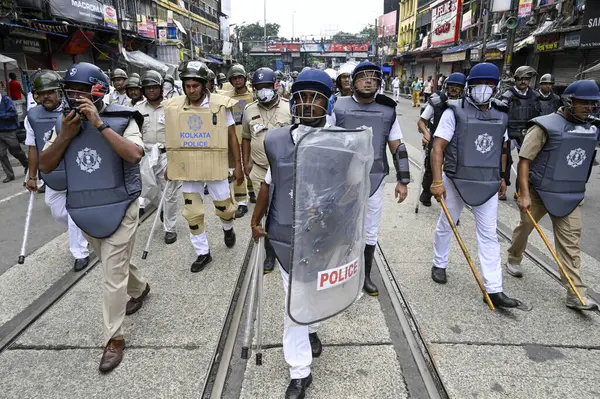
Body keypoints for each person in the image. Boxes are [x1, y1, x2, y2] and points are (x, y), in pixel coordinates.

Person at [38, 62, 150, 373]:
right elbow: (46, 166)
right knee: (114, 261)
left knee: (111, 274)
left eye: (81, 91)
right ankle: (140, 288)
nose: (74, 97)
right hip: (85, 208)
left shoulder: (123, 118)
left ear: (97, 90)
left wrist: (99, 124)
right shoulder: (65, 124)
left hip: (121, 205)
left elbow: (134, 154)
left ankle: (113, 339)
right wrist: (66, 135)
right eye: (70, 91)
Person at [250, 69, 336, 399]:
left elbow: (353, 189)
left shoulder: (343, 138)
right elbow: (269, 183)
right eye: (302, 96)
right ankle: (299, 372)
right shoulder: (277, 139)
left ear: (327, 102)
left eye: (316, 97)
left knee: (314, 291)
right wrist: (257, 219)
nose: (308, 103)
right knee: (293, 301)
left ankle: (312, 327)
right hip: (286, 232)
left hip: (325, 233)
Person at [429, 62, 522, 309]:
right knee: (447, 224)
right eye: (478, 84)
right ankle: (439, 263)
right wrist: (437, 182)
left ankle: (493, 289)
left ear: (497, 87)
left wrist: (502, 177)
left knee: (489, 235)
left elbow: (502, 149)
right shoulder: (453, 111)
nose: (483, 89)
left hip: (487, 182)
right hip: (455, 179)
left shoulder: (501, 114)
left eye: (489, 85)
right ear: (469, 87)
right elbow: (437, 147)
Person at [505, 79, 600, 311]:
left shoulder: (592, 128)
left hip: (569, 195)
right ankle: (514, 257)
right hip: (538, 192)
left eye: (593, 104)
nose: (589, 108)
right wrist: (524, 194)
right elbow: (525, 161)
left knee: (570, 243)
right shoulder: (543, 126)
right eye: (583, 103)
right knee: (525, 228)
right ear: (569, 101)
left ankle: (575, 293)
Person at [333, 61, 410, 296]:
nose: (368, 81)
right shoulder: (338, 106)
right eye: (363, 76)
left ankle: (365, 275)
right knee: (341, 229)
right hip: (342, 181)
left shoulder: (388, 110)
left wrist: (403, 180)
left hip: (375, 178)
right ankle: (339, 274)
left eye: (373, 77)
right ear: (353, 81)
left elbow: (398, 146)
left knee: (370, 230)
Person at [164, 61, 243, 272]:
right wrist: (170, 166)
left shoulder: (219, 105)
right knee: (193, 212)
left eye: (195, 86)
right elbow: (172, 138)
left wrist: (238, 166)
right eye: (187, 86)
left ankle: (228, 228)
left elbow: (232, 136)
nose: (191, 90)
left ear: (204, 84)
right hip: (188, 167)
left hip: (215, 165)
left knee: (225, 207)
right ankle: (202, 252)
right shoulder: (174, 107)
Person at [24, 70, 90, 270]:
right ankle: (86, 231)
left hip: (75, 170)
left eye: (50, 91)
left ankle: (80, 253)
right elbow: (33, 147)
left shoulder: (75, 109)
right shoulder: (32, 117)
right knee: (57, 211)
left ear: (60, 91)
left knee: (72, 213)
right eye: (41, 93)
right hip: (52, 173)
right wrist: (32, 176)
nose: (46, 96)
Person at [241, 67, 291, 273]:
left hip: (284, 171)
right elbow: (245, 137)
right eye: (259, 88)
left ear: (275, 87)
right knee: (265, 215)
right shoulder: (249, 110)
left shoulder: (290, 108)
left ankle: (288, 247)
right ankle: (270, 255)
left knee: (284, 212)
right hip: (260, 170)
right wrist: (245, 162)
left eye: (266, 87)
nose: (263, 91)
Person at [135, 70, 181, 244]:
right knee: (147, 189)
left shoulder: (172, 107)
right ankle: (160, 208)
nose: (151, 91)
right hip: (145, 155)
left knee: (169, 193)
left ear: (161, 88)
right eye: (148, 88)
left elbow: (178, 133)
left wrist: (175, 159)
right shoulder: (137, 109)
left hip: (166, 154)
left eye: (155, 87)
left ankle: (170, 228)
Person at [417, 72, 466, 207]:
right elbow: (421, 122)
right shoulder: (436, 101)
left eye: (457, 87)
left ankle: (451, 201)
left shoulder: (466, 104)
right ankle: (426, 193)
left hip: (456, 142)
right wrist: (427, 134)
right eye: (450, 86)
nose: (453, 90)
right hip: (436, 138)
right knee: (431, 167)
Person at [500, 65, 539, 199]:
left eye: (526, 79)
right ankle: (502, 188)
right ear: (515, 79)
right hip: (510, 131)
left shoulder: (535, 95)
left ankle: (520, 190)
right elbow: (501, 113)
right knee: (505, 160)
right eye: (520, 79)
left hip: (527, 132)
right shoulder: (508, 95)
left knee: (527, 161)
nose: (523, 81)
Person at [224, 64, 254, 213]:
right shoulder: (226, 97)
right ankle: (241, 201)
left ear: (244, 78)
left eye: (239, 77)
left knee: (252, 162)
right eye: (234, 78)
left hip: (251, 133)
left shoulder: (253, 94)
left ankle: (253, 190)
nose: (237, 81)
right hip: (234, 133)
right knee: (237, 166)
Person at [0, 89, 28, 183]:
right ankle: (9, 175)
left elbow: (13, 114)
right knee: (2, 154)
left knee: (16, 151)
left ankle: (27, 164)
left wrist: (1, 115)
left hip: (9, 131)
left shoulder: (6, 100)